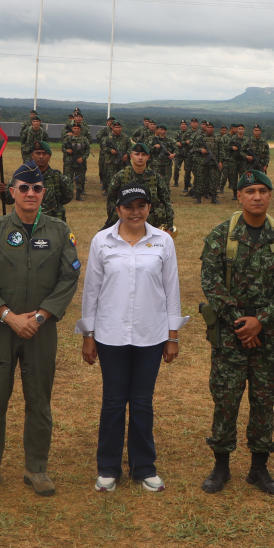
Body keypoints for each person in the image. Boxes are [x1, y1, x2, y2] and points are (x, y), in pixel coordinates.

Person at [0, 161, 81, 497]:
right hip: (0, 330)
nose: (30, 193)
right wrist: (8, 316)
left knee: (39, 401)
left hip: (41, 331)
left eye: (36, 188)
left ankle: (37, 469)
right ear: (13, 191)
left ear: (43, 193)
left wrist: (42, 316)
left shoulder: (60, 232)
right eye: (23, 188)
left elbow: (68, 277)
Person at [198, 170, 274, 496]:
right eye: (249, 191)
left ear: (270, 196)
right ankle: (221, 466)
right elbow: (211, 283)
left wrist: (262, 320)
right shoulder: (220, 237)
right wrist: (241, 322)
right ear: (239, 196)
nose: (256, 196)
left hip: (268, 336)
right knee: (226, 398)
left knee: (264, 399)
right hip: (230, 336)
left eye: (262, 190)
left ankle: (259, 468)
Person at [77, 183, 186, 493]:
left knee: (141, 402)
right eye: (129, 206)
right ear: (118, 210)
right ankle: (108, 468)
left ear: (149, 209)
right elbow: (92, 291)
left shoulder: (163, 241)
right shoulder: (102, 241)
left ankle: (144, 467)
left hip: (150, 335)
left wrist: (172, 335)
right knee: (112, 402)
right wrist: (89, 334)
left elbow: (171, 289)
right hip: (110, 336)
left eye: (141, 205)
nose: (135, 212)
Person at [0, 141, 74, 223]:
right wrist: (3, 192)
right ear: (32, 155)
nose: (41, 157)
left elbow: (67, 197)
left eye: (44, 153)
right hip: (24, 222)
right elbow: (9, 200)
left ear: (50, 156)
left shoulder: (57, 177)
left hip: (50, 223)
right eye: (38, 153)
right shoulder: (21, 176)